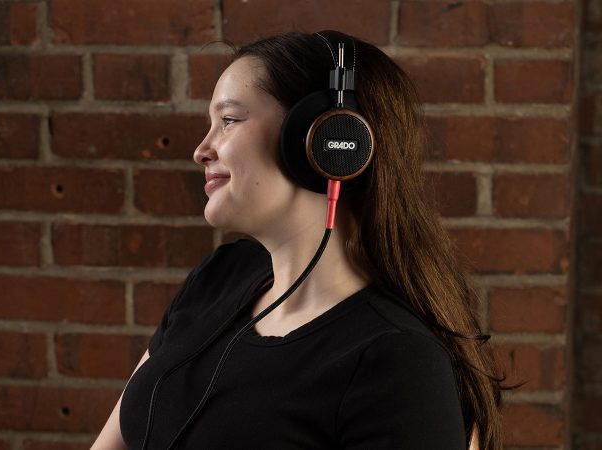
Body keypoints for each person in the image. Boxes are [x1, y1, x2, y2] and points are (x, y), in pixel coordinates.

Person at [91, 30, 505, 450]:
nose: (201, 150)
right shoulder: (218, 277)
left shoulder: (399, 361)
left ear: (328, 139)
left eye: (229, 120)